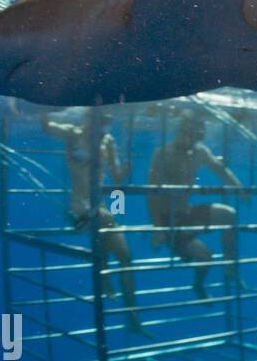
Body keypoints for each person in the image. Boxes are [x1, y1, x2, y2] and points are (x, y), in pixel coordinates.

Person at [40, 111, 147, 337]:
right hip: (78, 208)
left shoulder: (108, 142)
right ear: (88, 117)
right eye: (101, 119)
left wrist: (126, 169)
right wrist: (44, 104)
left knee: (126, 258)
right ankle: (105, 274)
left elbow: (117, 179)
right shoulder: (72, 134)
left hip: (101, 210)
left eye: (108, 121)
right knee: (107, 222)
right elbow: (46, 127)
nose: (104, 125)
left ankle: (132, 314)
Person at [147, 114, 245, 300]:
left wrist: (239, 189)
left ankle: (229, 265)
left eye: (198, 136)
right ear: (181, 132)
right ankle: (198, 285)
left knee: (229, 214)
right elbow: (152, 194)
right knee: (204, 255)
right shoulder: (162, 154)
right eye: (190, 135)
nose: (193, 140)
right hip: (170, 221)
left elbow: (220, 169)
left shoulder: (200, 151)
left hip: (188, 212)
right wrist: (158, 228)